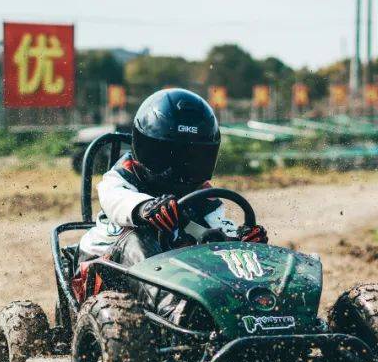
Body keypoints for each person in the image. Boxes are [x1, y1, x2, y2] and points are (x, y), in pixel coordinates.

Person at [77, 88, 268, 275]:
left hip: (165, 272)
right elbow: (117, 199)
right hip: (103, 263)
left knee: (210, 247)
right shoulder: (122, 177)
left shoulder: (201, 194)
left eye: (191, 159)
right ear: (143, 148)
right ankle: (173, 306)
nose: (178, 170)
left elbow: (216, 226)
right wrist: (145, 208)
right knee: (139, 237)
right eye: (168, 157)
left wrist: (241, 240)